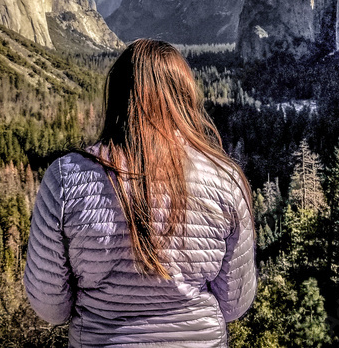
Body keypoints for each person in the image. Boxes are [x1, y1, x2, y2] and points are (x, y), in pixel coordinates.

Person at [24, 39, 256, 347]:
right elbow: (234, 304)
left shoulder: (65, 179)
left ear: (117, 97)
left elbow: (50, 306)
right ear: (184, 97)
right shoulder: (225, 180)